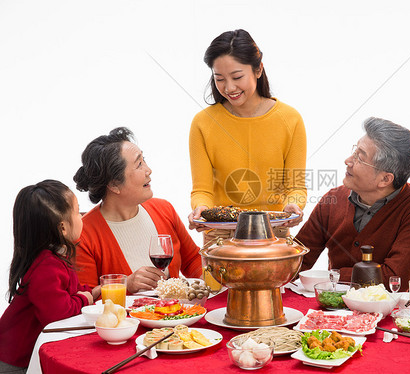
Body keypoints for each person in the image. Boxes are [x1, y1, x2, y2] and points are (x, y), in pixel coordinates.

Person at [188, 29, 307, 241]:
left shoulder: (290, 119)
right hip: (221, 239)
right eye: (220, 79)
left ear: (258, 69)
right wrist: (201, 209)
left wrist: (294, 205)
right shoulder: (203, 123)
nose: (229, 87)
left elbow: (295, 186)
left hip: (272, 237)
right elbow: (202, 190)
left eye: (237, 77)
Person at [296, 117, 410, 288]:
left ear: (385, 179)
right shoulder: (332, 199)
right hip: (332, 307)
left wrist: (333, 276)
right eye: (354, 152)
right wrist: (278, 230)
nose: (348, 161)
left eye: (359, 158)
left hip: (391, 311)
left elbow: (395, 279)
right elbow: (297, 262)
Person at [74, 127, 201, 293]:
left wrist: (211, 279)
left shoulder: (163, 209)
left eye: (144, 160)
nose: (149, 170)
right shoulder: (83, 235)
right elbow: (83, 301)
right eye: (139, 164)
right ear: (114, 185)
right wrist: (124, 285)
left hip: (177, 316)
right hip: (127, 319)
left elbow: (192, 260)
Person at [0, 180, 98, 372]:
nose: (82, 216)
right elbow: (57, 313)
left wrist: (92, 292)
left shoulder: (55, 257)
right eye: (77, 211)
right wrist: (85, 299)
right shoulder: (47, 265)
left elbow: (68, 293)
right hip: (13, 359)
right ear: (62, 227)